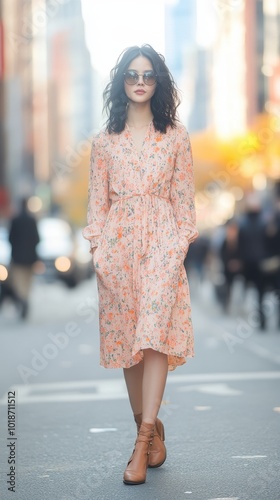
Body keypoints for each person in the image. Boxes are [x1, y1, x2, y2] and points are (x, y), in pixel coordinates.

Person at [83, 44, 198, 485]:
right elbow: (97, 204)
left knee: (154, 338)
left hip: (162, 246)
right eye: (132, 74)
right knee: (130, 343)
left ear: (158, 82)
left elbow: (184, 201)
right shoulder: (103, 142)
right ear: (121, 81)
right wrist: (99, 250)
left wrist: (177, 246)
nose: (140, 81)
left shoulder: (176, 136)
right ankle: (147, 431)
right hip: (117, 249)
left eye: (148, 75)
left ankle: (141, 442)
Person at [8, 197, 40, 319]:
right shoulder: (32, 220)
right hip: (30, 258)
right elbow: (37, 239)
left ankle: (22, 299)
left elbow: (10, 238)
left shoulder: (15, 220)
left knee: (19, 281)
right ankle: (25, 298)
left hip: (17, 257)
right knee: (27, 281)